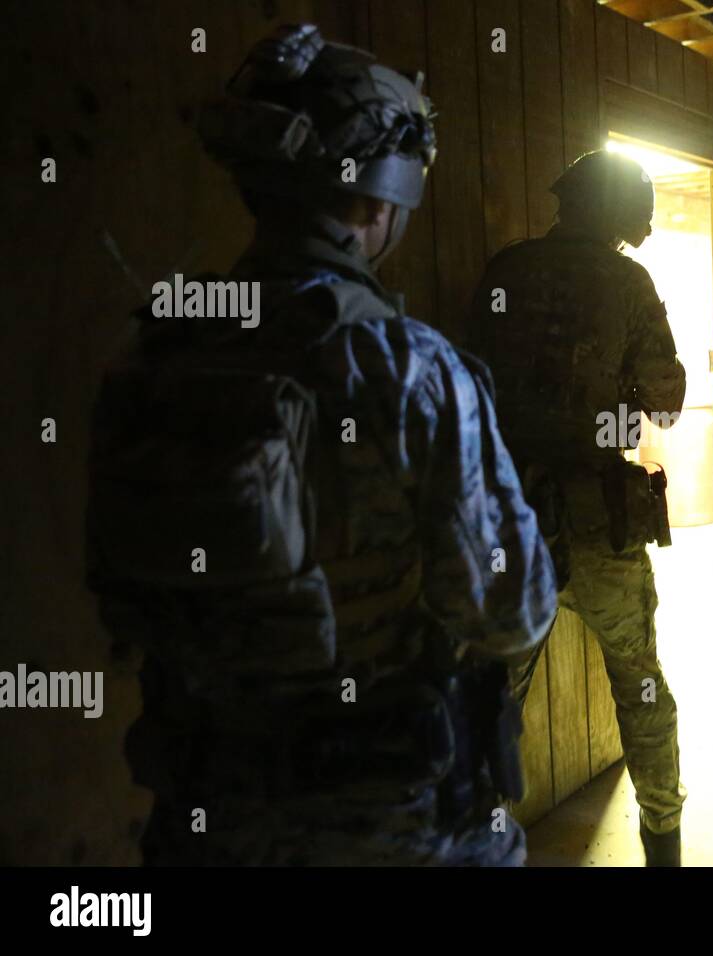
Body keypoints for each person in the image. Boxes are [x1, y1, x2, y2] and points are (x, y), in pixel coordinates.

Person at [85, 23, 555, 865]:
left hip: (206, 823)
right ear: (380, 199)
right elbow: (511, 614)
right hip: (391, 828)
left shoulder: (158, 349)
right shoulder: (408, 367)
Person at [466, 150, 687, 865]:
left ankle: (479, 842)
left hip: (506, 520)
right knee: (642, 686)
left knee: (492, 703)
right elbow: (668, 404)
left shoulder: (504, 270)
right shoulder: (627, 281)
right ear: (619, 212)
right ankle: (663, 842)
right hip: (600, 525)